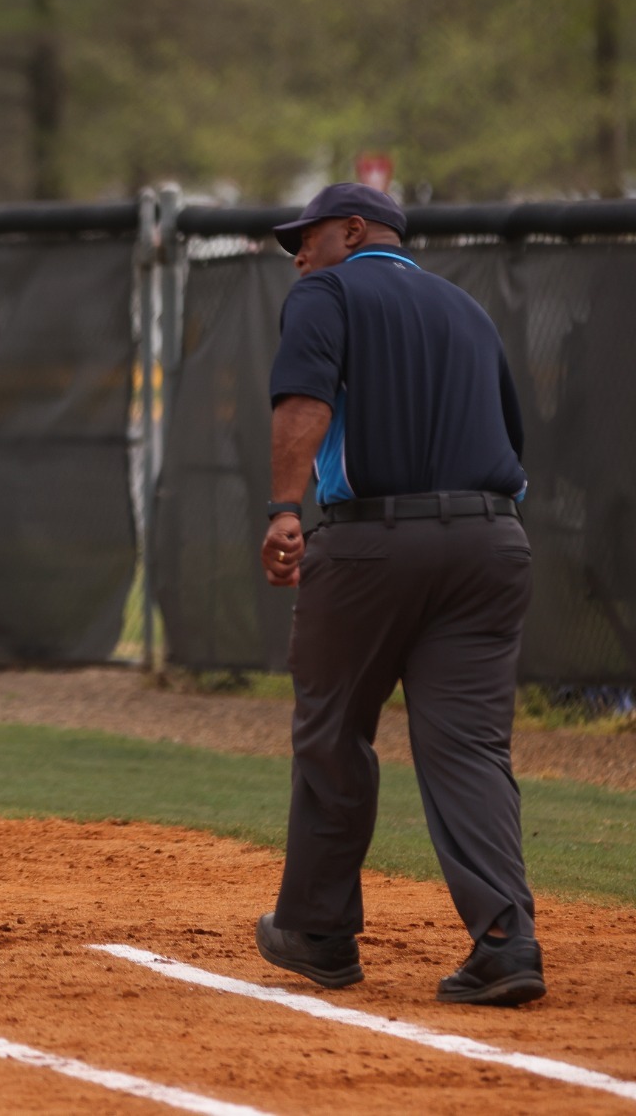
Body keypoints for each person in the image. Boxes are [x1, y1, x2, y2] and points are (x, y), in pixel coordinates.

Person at [255, 182, 543, 1006]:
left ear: (351, 230)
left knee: (334, 724)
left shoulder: (327, 292)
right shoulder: (468, 309)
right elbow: (510, 438)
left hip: (374, 542)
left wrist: (283, 509)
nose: (299, 254)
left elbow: (304, 400)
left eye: (305, 237)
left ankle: (318, 931)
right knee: (469, 747)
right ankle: (505, 939)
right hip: (492, 542)